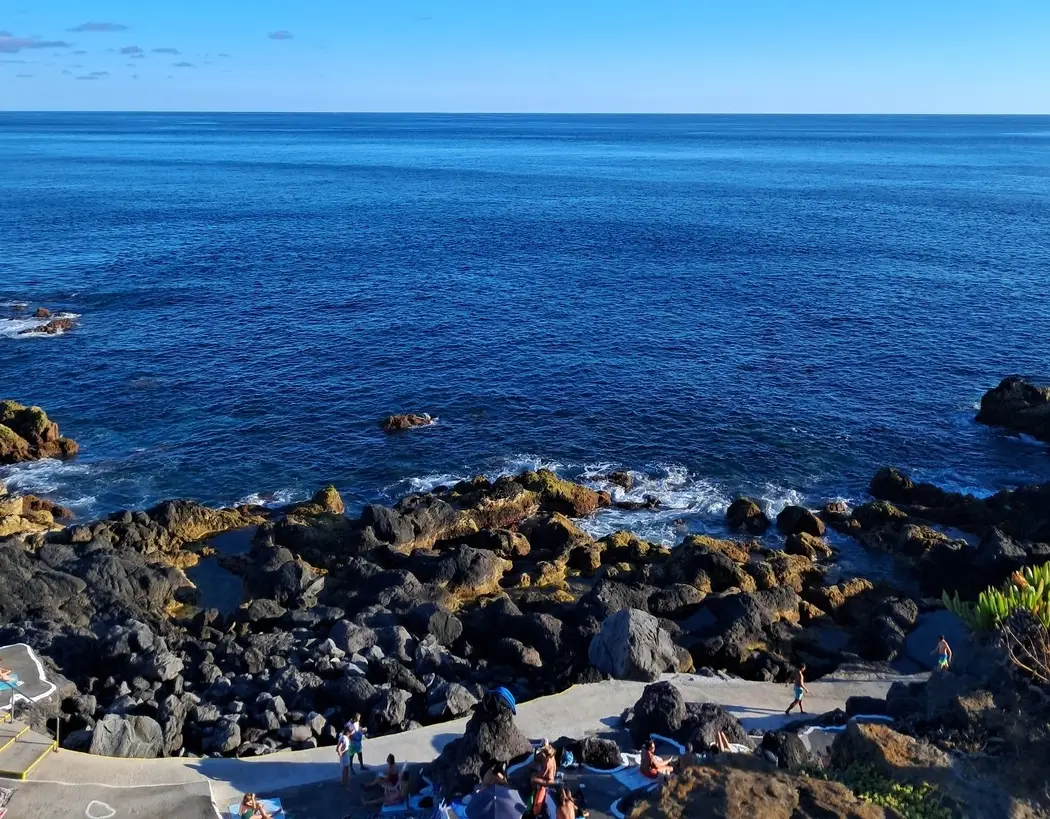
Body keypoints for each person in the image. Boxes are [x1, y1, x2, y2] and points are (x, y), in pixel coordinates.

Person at [531, 741, 557, 816]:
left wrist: (535, 777)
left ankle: (533, 791)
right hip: (551, 777)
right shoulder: (551, 757)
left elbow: (543, 774)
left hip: (548, 781)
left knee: (533, 778)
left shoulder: (548, 763)